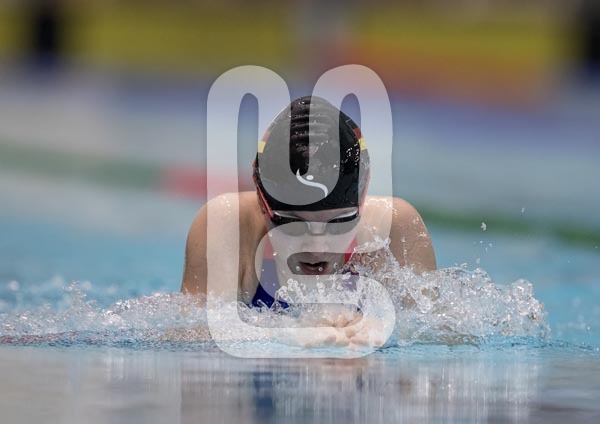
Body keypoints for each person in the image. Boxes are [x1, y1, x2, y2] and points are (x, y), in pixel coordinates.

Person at [181, 96, 436, 346]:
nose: (317, 247)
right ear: (261, 202)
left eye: (338, 222)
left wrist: (386, 329)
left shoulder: (391, 229)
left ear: (361, 205)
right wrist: (286, 335)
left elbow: (442, 333)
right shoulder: (229, 226)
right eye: (292, 224)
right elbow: (188, 337)